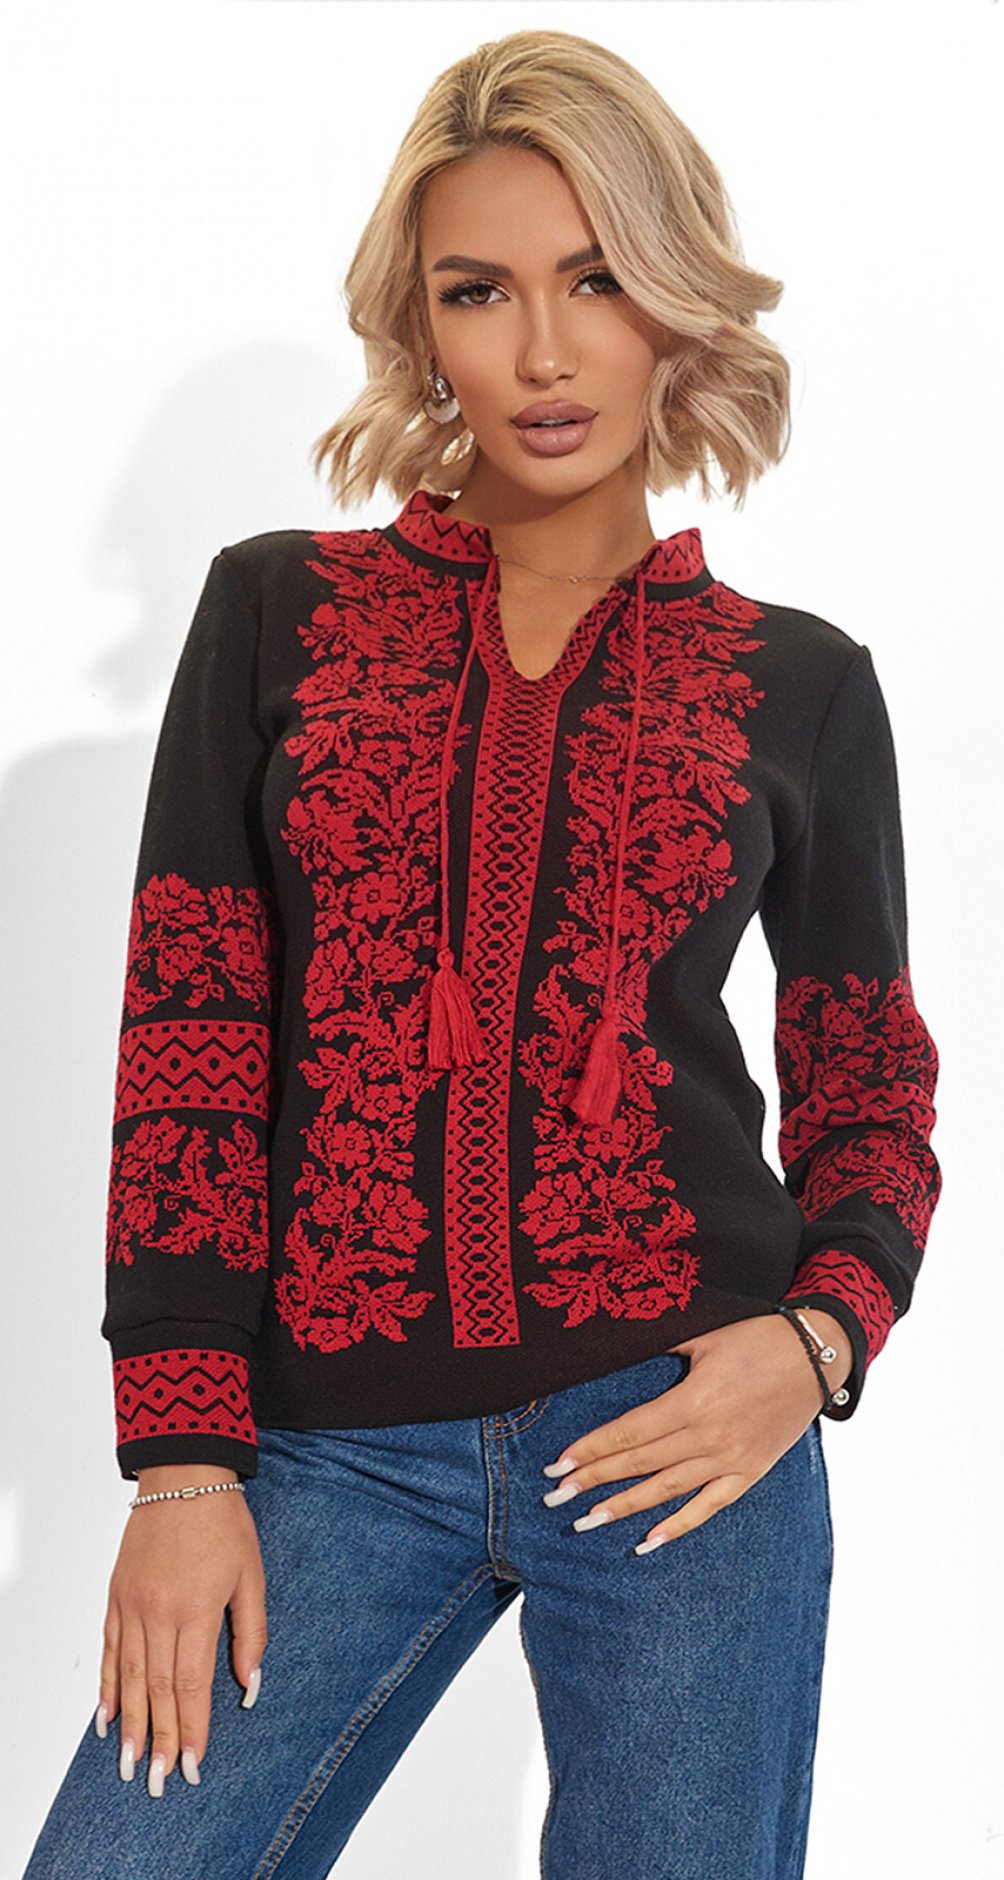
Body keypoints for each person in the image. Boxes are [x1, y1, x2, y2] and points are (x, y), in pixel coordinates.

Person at [24, 26, 941, 1880]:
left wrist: (819, 1341)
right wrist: (181, 1463)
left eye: (596, 280)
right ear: (419, 324)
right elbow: (191, 1043)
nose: (542, 352)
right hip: (331, 1445)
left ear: (674, 300)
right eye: (480, 290)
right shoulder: (276, 612)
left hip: (683, 1426)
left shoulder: (804, 684)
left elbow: (868, 1086)